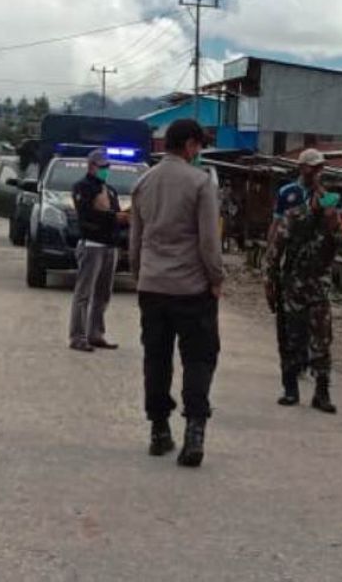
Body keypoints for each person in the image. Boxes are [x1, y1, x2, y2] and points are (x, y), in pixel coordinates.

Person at [129, 119, 223, 468]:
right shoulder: (200, 183)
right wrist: (216, 278)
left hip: (152, 287)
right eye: (198, 146)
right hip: (191, 288)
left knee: (156, 359)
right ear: (189, 145)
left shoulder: (143, 183)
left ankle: (159, 431)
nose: (199, 153)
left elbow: (135, 242)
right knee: (198, 358)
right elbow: (209, 242)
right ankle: (194, 434)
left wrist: (141, 276)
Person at [264, 148, 342, 414]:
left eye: (320, 169)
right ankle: (290, 389)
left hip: (319, 284)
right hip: (292, 283)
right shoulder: (292, 209)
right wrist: (269, 279)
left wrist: (334, 224)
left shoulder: (332, 211)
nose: (317, 173)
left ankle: (322, 392)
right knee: (292, 337)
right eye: (312, 168)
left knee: (322, 339)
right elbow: (275, 246)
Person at [68, 148, 127, 352]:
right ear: (91, 166)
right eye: (102, 166)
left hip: (110, 246)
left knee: (103, 294)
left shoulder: (109, 190)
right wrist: (112, 217)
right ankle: (78, 335)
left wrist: (122, 219)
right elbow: (86, 216)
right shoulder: (81, 188)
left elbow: (116, 213)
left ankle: (96, 333)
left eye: (107, 166)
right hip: (92, 245)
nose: (105, 169)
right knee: (84, 294)